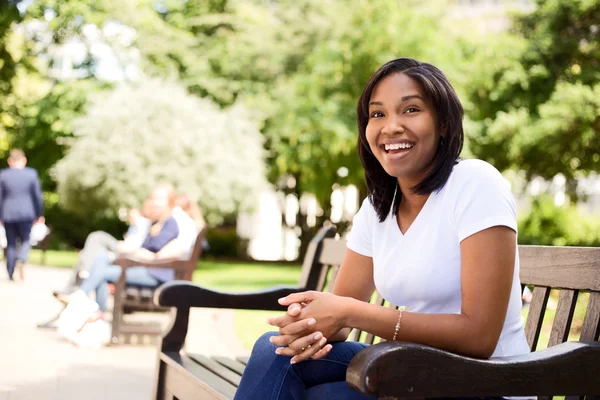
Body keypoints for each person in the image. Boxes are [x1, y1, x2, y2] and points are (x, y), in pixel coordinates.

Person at [233, 58, 531, 400]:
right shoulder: (378, 207)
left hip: (486, 383)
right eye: (378, 114)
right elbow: (341, 313)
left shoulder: (476, 184)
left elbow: (480, 336)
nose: (391, 127)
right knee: (275, 353)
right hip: (414, 370)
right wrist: (309, 326)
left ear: (445, 124)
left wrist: (351, 312)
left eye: (411, 109)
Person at [58, 183, 186, 321]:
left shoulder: (170, 224)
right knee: (101, 259)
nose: (154, 202)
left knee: (101, 272)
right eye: (153, 198)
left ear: (169, 202)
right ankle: (95, 310)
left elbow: (157, 254)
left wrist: (145, 254)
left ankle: (83, 298)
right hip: (142, 267)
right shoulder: (156, 223)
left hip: (155, 273)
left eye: (159, 199)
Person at [0, 149, 44, 281]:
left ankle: (10, 272)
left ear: (10, 161)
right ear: (24, 160)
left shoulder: (3, 175)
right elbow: (37, 196)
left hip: (8, 214)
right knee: (25, 239)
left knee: (11, 243)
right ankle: (22, 258)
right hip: (27, 213)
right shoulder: (31, 174)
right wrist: (39, 213)